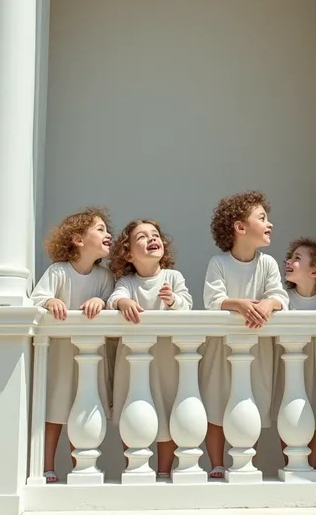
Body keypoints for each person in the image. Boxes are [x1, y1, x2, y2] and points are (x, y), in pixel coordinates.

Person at [199, 191, 289, 479]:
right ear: (240, 227)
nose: (270, 224)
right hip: (222, 348)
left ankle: (246, 460)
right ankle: (216, 463)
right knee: (217, 402)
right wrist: (239, 304)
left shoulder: (268, 264)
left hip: (257, 347)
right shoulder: (218, 263)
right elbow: (213, 300)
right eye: (262, 218)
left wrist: (267, 304)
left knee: (252, 402)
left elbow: (278, 296)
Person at [31, 207, 114, 483]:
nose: (108, 234)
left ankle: (80, 465)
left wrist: (100, 302)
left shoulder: (104, 278)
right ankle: (47, 466)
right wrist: (50, 301)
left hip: (92, 357)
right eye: (100, 229)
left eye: (106, 229)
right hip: (61, 355)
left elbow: (110, 301)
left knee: (85, 407)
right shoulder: (58, 272)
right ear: (78, 239)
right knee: (56, 409)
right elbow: (38, 298)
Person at [107, 219, 192, 478]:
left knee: (166, 410)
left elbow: (187, 304)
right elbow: (114, 298)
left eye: (155, 235)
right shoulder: (127, 282)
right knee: (133, 409)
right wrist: (122, 303)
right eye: (142, 237)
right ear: (129, 253)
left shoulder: (172, 277)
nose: (152, 239)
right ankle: (136, 468)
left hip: (166, 357)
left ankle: (165, 472)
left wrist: (173, 300)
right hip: (133, 359)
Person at [272, 237, 316, 470]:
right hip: (289, 367)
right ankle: (292, 465)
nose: (288, 261)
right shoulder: (283, 299)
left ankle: (312, 468)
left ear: (315, 271)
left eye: (297, 258)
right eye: (290, 257)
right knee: (289, 416)